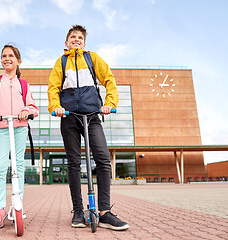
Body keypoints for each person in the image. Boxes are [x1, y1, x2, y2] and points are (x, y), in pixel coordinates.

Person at [47, 25, 129, 231]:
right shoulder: (62, 62)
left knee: (102, 158)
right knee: (74, 163)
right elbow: (53, 87)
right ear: (66, 43)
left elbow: (109, 80)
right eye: (72, 37)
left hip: (92, 115)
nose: (76, 39)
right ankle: (77, 211)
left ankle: (104, 212)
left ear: (84, 42)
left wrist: (110, 103)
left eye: (80, 37)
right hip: (69, 117)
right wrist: (56, 107)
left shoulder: (92, 58)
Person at [0, 44, 39, 229]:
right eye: (4, 55)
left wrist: (26, 111)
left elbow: (34, 108)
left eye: (11, 56)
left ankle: (16, 206)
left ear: (18, 61)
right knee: (1, 165)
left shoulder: (24, 84)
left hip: (20, 127)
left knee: (18, 165)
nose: (7, 58)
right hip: (2, 127)